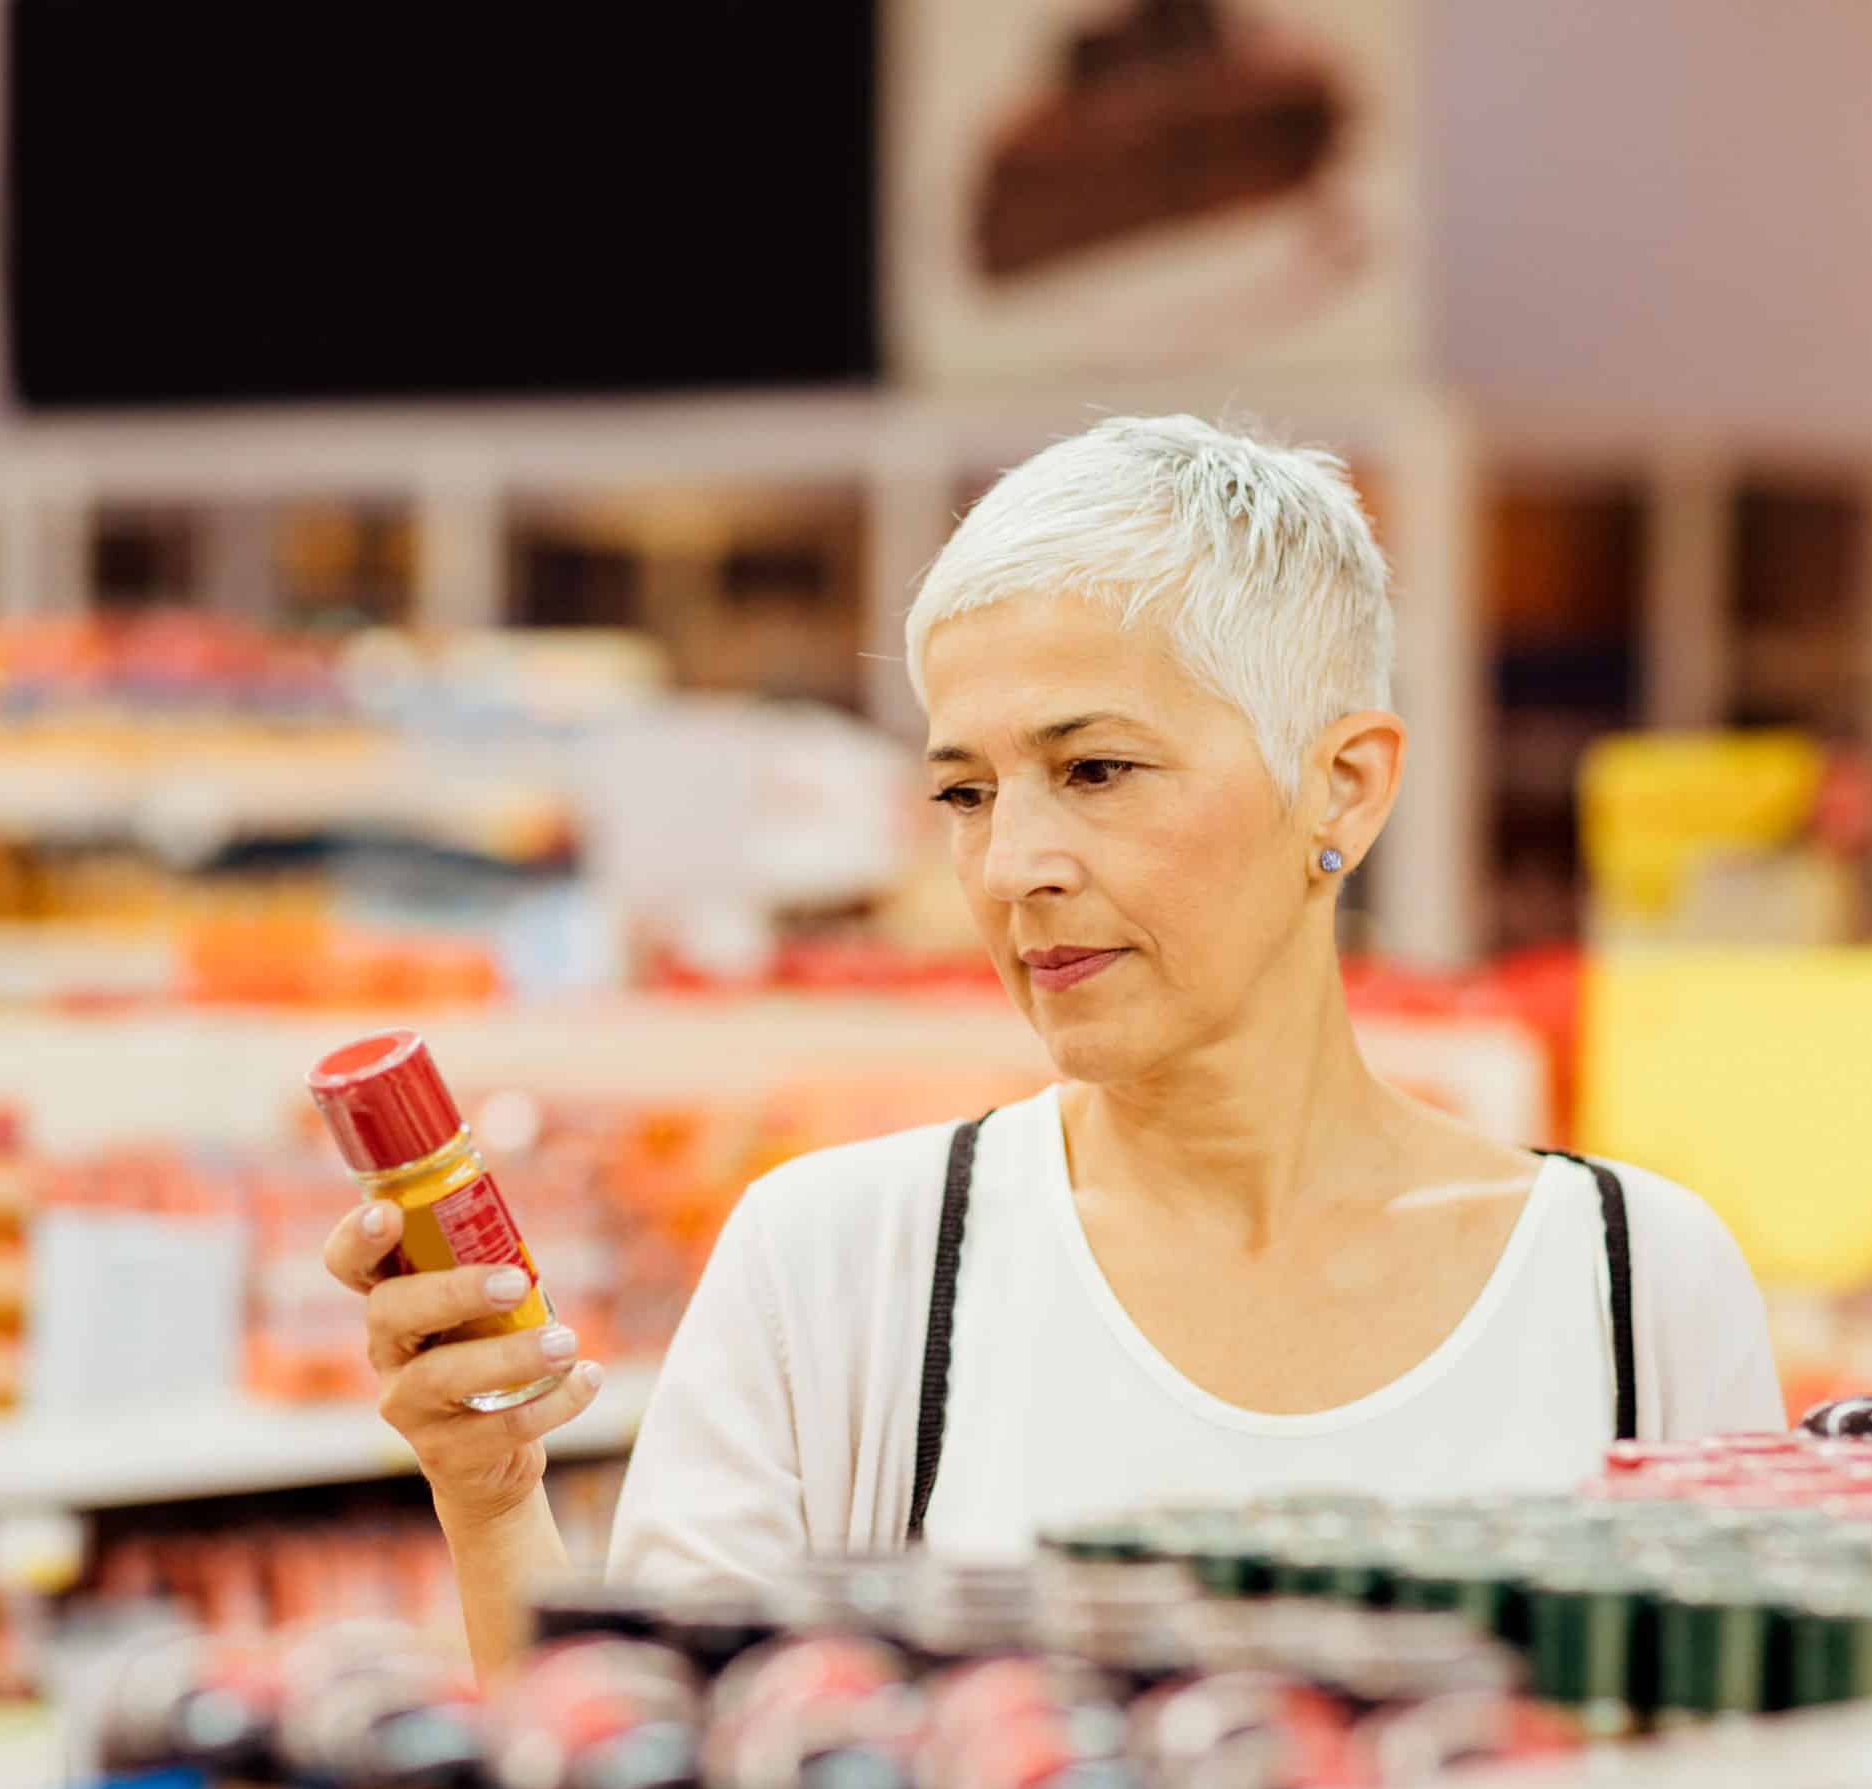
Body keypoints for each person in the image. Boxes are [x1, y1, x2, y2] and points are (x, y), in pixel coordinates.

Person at [326, 415, 1783, 1680]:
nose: (1015, 862)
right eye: (966, 793)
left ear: (1342, 786)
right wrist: (492, 1492)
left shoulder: (1637, 1283)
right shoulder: (847, 1264)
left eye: (1097, 770)